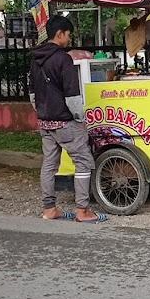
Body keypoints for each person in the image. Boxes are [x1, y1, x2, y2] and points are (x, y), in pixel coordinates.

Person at [29, 15, 106, 224]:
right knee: (82, 162)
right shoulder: (64, 59)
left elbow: (32, 94)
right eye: (68, 35)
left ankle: (49, 208)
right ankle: (83, 210)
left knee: (49, 164)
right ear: (60, 34)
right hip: (65, 121)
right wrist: (81, 118)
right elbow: (72, 96)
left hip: (45, 121)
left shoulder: (36, 59)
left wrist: (43, 113)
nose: (69, 39)